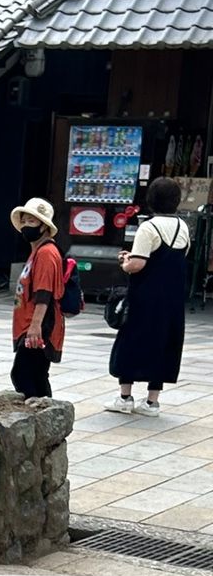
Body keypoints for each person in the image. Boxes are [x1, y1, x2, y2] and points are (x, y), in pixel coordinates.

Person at [107, 175, 190, 417]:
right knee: (163, 343)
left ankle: (125, 397)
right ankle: (152, 401)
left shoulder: (149, 227)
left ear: (151, 199)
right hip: (172, 298)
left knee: (132, 340)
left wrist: (124, 261)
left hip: (145, 297)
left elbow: (138, 265)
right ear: (176, 200)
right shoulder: (182, 227)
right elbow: (179, 257)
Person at [9, 196, 65, 399]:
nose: (25, 226)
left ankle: (41, 414)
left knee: (25, 374)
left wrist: (35, 327)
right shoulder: (38, 251)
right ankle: (44, 413)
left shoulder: (46, 253)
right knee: (35, 374)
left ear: (43, 225)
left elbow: (45, 293)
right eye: (23, 221)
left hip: (40, 324)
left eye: (31, 221)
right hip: (31, 323)